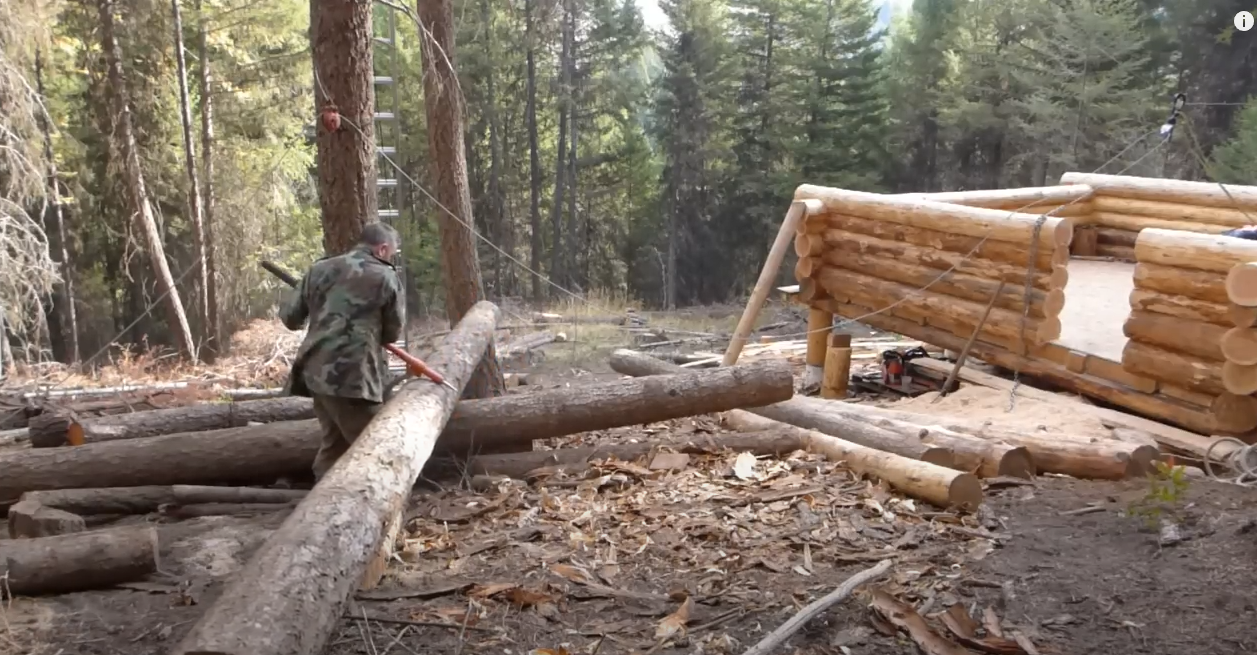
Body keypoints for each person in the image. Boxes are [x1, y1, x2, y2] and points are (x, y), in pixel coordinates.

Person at [280, 222, 404, 479]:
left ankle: (322, 506)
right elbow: (392, 333)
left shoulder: (319, 269)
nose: (391, 257)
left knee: (335, 445)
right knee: (374, 446)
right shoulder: (385, 276)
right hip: (352, 376)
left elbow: (291, 318)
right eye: (392, 252)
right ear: (383, 249)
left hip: (315, 370)